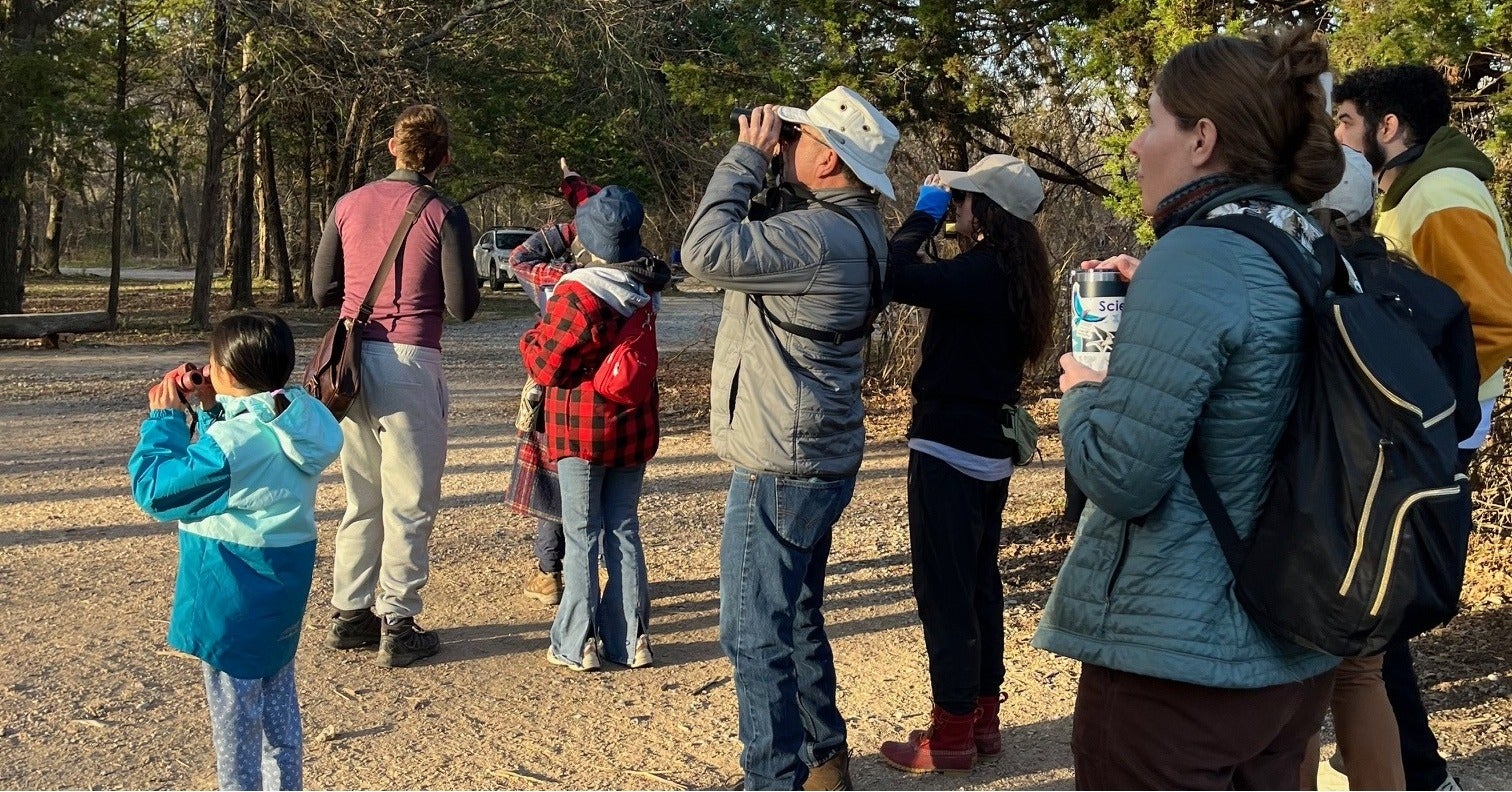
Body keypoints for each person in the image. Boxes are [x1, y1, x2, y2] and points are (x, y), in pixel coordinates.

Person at [1033, 27, 1346, 789]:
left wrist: (1081, 392)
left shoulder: (1199, 254)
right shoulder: (1307, 242)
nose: (1135, 146)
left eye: (1151, 122)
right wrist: (1165, 292)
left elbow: (1123, 475)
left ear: (1202, 139)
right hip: (1290, 650)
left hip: (1177, 661)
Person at [681, 86, 898, 791]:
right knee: (797, 614)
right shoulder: (858, 228)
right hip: (820, 449)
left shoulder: (813, 237)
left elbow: (703, 252)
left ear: (828, 158)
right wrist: (772, 174)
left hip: (782, 458)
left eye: (799, 138)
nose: (786, 143)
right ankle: (822, 759)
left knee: (752, 632)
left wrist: (746, 159)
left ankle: (772, 779)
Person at [1333, 65, 1512, 791]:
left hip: (1427, 430)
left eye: (1346, 122)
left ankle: (1416, 772)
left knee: (1375, 615)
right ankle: (1390, 760)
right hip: (1423, 424)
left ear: (1388, 127)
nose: (1337, 136)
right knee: (1375, 613)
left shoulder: (1438, 194)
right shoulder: (1411, 191)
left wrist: (1420, 405)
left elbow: (1493, 320)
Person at [1294, 147, 1481, 792]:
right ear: (1372, 208)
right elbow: (1459, 415)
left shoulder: (1298, 287)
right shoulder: (1432, 296)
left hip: (1311, 514)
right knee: (1364, 674)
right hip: (1397, 518)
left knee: (1296, 683)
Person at [876, 155, 1054, 774]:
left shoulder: (981, 270)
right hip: (987, 450)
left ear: (988, 209)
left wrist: (921, 217)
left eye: (962, 199)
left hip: (947, 446)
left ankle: (951, 730)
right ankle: (980, 716)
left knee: (945, 590)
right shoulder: (1018, 270)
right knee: (979, 582)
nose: (955, 207)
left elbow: (891, 273)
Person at [128, 312, 343, 790]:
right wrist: (212, 409)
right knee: (277, 717)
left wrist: (164, 421)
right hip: (278, 597)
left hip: (233, 597)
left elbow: (157, 491)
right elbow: (241, 465)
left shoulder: (233, 445)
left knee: (235, 726)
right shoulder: (296, 418)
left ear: (224, 369)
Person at [312, 104, 480, 668]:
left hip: (352, 364)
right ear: (444, 158)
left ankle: (350, 613)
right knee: (410, 499)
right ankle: (399, 623)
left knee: (362, 495)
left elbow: (320, 291)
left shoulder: (347, 204)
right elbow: (462, 307)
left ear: (392, 147)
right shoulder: (443, 213)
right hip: (410, 360)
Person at [521, 186, 670, 671]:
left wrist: (530, 336)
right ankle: (631, 640)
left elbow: (546, 364)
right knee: (623, 528)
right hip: (633, 425)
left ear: (587, 239)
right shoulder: (646, 286)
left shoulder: (579, 292)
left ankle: (577, 641)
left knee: (582, 532)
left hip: (581, 429)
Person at [509, 158, 602, 607]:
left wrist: (569, 227)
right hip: (612, 400)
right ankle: (608, 576)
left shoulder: (558, 281)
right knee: (608, 496)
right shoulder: (637, 278)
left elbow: (519, 258)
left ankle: (550, 574)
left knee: (553, 482)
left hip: (557, 396)